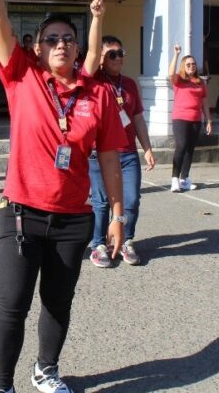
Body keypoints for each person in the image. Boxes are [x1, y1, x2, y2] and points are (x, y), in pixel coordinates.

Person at [0, 0, 126, 393]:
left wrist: (116, 214)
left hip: (74, 219)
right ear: (36, 46)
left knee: (57, 303)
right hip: (21, 214)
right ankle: (1, 386)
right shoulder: (22, 77)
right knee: (12, 304)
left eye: (67, 39)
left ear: (76, 48)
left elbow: (110, 157)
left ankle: (45, 371)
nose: (60, 44)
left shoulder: (96, 96)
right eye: (51, 38)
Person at [83, 34, 155, 268]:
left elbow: (137, 119)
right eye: (111, 54)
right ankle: (98, 244)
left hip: (127, 153)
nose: (117, 58)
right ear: (101, 58)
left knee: (132, 200)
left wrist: (147, 148)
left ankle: (127, 240)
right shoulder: (94, 81)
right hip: (99, 154)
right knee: (101, 202)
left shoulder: (130, 84)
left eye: (120, 53)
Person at [168, 45, 212, 193]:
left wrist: (209, 120)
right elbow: (170, 73)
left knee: (190, 149)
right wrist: (176, 54)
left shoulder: (200, 82)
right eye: (188, 64)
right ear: (183, 66)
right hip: (180, 118)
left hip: (196, 119)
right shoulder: (178, 80)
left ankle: (184, 179)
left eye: (193, 64)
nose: (191, 66)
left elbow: (204, 102)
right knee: (181, 145)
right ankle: (175, 179)